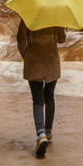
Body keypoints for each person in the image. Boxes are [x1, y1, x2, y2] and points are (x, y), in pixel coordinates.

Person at [16, 19, 66, 158]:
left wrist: (26, 56)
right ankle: (48, 132)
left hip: (34, 62)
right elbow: (62, 39)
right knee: (49, 97)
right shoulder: (55, 15)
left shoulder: (28, 14)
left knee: (38, 100)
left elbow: (20, 39)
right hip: (52, 63)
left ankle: (41, 134)